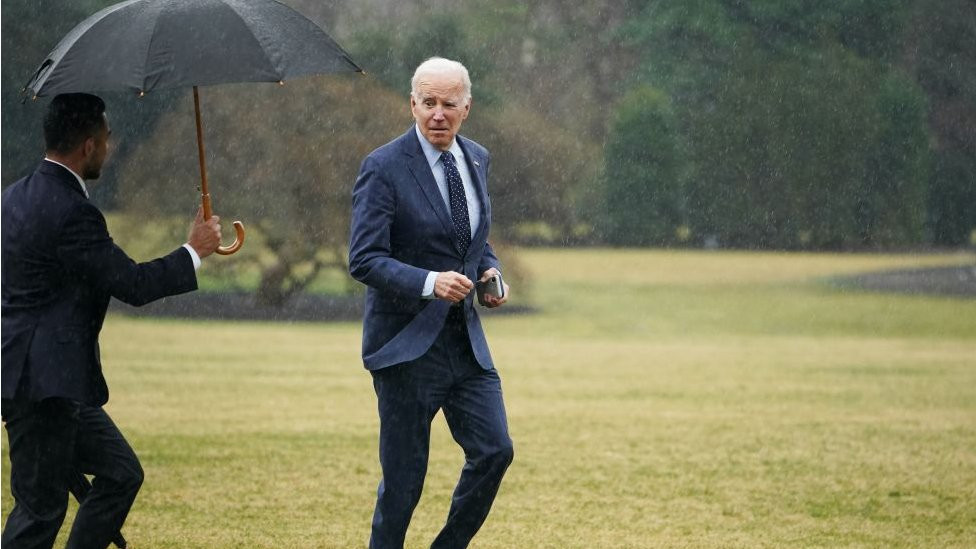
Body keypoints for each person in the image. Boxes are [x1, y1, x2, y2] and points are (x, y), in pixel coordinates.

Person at [1, 93, 222, 549]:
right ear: (87, 147)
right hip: (43, 386)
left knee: (121, 472)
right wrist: (193, 252)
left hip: (44, 380)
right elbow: (134, 285)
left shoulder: (13, 198)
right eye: (105, 139)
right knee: (39, 510)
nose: (110, 147)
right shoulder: (74, 213)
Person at [348, 57, 515, 549]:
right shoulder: (382, 167)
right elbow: (364, 259)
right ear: (412, 104)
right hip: (404, 348)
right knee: (403, 486)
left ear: (467, 107)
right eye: (427, 103)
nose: (437, 114)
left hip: (464, 345)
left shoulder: (477, 158)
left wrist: (490, 271)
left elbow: (471, 239)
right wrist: (428, 282)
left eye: (448, 104)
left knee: (494, 451)